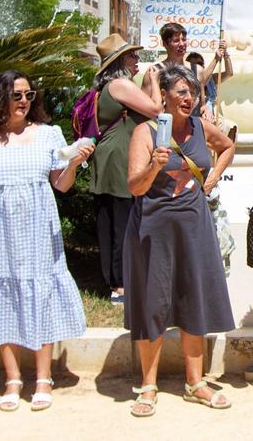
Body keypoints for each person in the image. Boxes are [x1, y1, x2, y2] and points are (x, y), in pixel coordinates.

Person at [0, 72, 90, 413]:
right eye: (17, 95)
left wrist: (73, 161)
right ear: (0, 98)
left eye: (29, 94)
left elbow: (61, 184)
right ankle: (13, 378)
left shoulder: (48, 135)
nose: (25, 101)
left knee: (41, 293)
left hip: (38, 230)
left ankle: (43, 377)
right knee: (1, 294)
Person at [123, 66, 236, 417]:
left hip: (194, 226)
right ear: (165, 97)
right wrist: (154, 167)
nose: (189, 99)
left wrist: (214, 176)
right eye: (181, 93)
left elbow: (228, 145)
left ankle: (195, 382)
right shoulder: (145, 132)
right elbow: (135, 187)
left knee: (193, 297)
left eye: (192, 93)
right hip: (153, 228)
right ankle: (149, 385)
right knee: (153, 302)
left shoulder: (202, 128)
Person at [88, 34, 163, 303]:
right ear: (119, 61)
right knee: (122, 222)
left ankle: (114, 280)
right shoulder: (119, 84)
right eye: (132, 56)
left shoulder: (113, 86)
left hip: (109, 157)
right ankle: (120, 285)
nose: (137, 60)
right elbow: (155, 109)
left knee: (111, 221)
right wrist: (154, 81)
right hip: (119, 159)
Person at [195, 41, 233, 123]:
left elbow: (229, 73)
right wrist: (216, 59)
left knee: (230, 126)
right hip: (197, 119)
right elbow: (202, 81)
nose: (196, 68)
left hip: (214, 118)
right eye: (194, 65)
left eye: (199, 65)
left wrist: (225, 54)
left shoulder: (211, 79)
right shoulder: (186, 81)